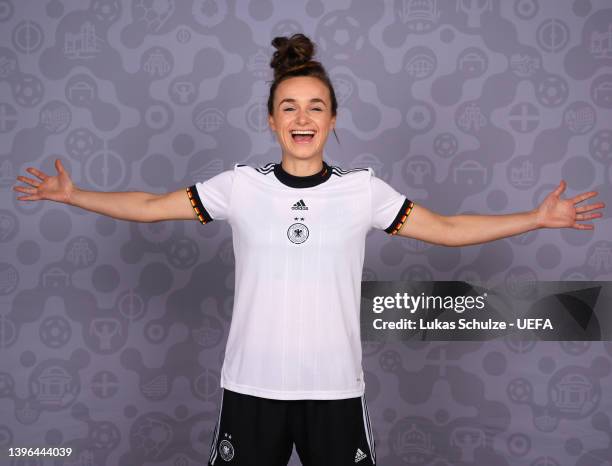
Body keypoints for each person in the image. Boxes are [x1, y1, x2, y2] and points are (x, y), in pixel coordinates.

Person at [13, 33, 605, 466]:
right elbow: (148, 206)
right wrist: (76, 196)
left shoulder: (362, 190)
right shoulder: (240, 186)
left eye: (315, 107)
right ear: (272, 121)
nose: (302, 118)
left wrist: (536, 217)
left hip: (334, 390)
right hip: (252, 387)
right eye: (289, 107)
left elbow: (447, 228)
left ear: (333, 120)